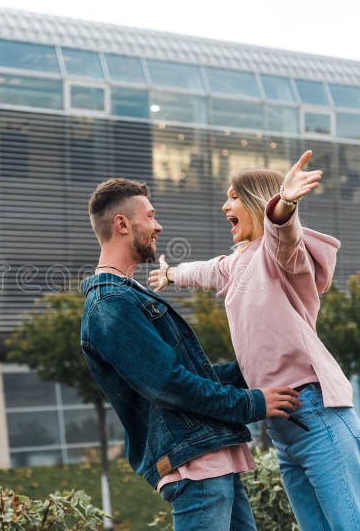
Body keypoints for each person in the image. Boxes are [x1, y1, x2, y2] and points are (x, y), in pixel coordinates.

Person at [149, 151, 360, 531]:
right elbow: (208, 270)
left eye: (234, 196)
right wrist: (171, 273)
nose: (225, 205)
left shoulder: (281, 255)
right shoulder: (238, 263)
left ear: (257, 202)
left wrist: (285, 203)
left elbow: (283, 234)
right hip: (282, 428)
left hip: (316, 411)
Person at [80, 178, 302, 530]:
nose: (158, 226)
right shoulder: (111, 304)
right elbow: (169, 384)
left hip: (213, 458)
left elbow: (194, 377)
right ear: (121, 224)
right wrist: (252, 403)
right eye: (150, 217)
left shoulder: (126, 296)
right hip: (196, 465)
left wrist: (265, 365)